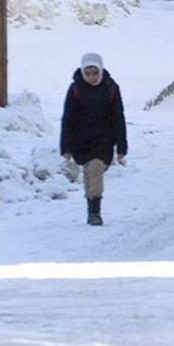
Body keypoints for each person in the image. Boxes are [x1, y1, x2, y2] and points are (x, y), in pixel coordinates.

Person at [60, 53, 128, 227]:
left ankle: (95, 212)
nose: (91, 77)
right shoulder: (75, 89)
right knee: (89, 171)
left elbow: (118, 116)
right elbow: (68, 118)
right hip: (81, 140)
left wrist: (121, 146)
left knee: (96, 169)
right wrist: (66, 146)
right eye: (88, 73)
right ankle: (91, 205)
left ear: (101, 70)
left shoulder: (110, 88)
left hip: (104, 139)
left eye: (94, 73)